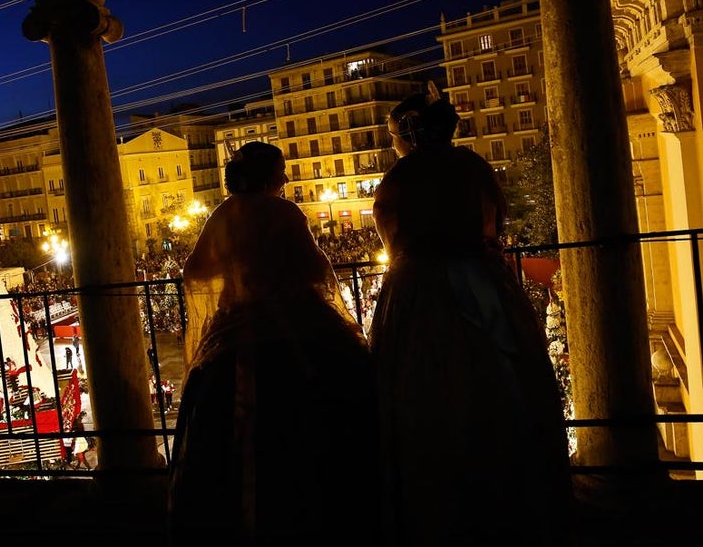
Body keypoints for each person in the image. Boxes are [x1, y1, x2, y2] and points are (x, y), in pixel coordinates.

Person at [370, 82, 573, 545]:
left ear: (410, 132)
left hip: (419, 293)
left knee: (425, 395)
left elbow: (393, 238)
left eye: (393, 133)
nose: (392, 142)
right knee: (502, 386)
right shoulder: (473, 167)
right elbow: (495, 222)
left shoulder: (400, 179)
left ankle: (438, 504)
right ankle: (511, 498)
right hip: (485, 286)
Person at [167, 141, 380, 544]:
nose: (285, 178)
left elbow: (196, 273)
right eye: (281, 170)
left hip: (234, 328)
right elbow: (314, 270)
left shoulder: (221, 216)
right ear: (269, 175)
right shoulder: (284, 212)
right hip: (295, 323)